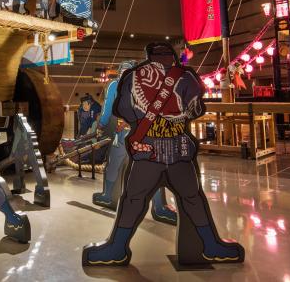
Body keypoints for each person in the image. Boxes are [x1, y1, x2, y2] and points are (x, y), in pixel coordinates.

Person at [83, 43, 244, 266]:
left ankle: (117, 248)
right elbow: (196, 109)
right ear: (173, 56)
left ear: (149, 56)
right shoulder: (186, 77)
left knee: (133, 199)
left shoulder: (133, 77)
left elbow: (122, 109)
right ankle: (210, 244)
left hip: (147, 149)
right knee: (192, 198)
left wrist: (143, 119)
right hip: (178, 148)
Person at [92, 60, 177, 225]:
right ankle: (159, 207)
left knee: (114, 164)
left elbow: (107, 110)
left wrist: (100, 126)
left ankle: (108, 196)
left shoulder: (114, 86)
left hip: (124, 134)